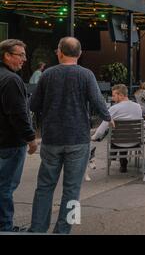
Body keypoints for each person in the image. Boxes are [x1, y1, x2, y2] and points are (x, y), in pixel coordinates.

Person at [29, 37, 111, 234]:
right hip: (78, 139)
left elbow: (33, 105)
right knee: (72, 190)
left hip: (51, 139)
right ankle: (63, 230)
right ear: (80, 54)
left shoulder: (47, 75)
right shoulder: (86, 75)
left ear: (59, 52)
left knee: (44, 187)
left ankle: (37, 229)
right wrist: (108, 117)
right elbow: (98, 101)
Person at [0, 39, 38, 232]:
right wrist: (31, 139)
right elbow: (18, 114)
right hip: (10, 143)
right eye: (20, 55)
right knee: (5, 187)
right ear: (7, 55)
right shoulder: (11, 80)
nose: (24, 59)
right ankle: (5, 227)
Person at [92, 84, 143, 173]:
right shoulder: (138, 107)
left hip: (118, 142)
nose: (112, 98)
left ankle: (115, 155)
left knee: (114, 130)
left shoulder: (114, 108)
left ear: (121, 95)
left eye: (114, 95)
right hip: (135, 141)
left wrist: (94, 137)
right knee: (125, 132)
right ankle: (123, 162)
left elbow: (102, 128)